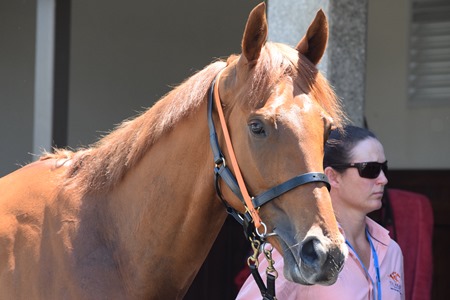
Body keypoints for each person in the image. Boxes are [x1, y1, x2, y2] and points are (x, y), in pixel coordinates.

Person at [236, 125, 405, 300]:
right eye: (369, 169)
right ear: (332, 176)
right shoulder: (300, 248)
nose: (383, 179)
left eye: (384, 168)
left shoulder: (391, 251)